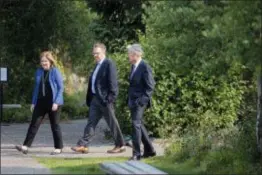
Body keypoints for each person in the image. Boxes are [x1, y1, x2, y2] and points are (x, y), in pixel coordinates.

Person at [71, 43, 126, 154]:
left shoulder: (108, 64)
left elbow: (113, 83)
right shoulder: (97, 65)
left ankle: (120, 145)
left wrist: (110, 98)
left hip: (105, 100)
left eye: (97, 53)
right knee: (91, 122)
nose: (95, 55)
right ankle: (83, 145)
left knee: (112, 123)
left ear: (103, 52)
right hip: (95, 99)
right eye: (94, 53)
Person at [15, 51, 64, 155]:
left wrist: (56, 102)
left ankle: (58, 148)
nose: (43, 63)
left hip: (53, 103)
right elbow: (36, 88)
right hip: (41, 102)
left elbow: (60, 88)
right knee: (34, 124)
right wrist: (33, 102)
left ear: (50, 61)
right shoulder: (38, 71)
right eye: (42, 61)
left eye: (45, 61)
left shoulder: (55, 71)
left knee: (55, 125)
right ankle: (25, 146)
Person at [127, 44, 156, 160]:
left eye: (129, 54)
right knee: (139, 124)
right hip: (133, 101)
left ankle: (136, 154)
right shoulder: (133, 67)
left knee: (135, 125)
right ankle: (149, 150)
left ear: (135, 55)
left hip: (139, 102)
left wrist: (142, 101)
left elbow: (150, 86)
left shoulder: (145, 67)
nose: (128, 57)